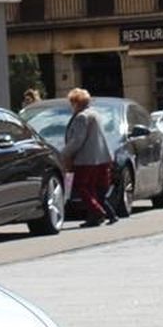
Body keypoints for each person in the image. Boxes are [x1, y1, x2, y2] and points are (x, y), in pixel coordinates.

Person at [61, 88, 117, 227]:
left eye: (72, 103)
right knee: (93, 188)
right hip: (100, 158)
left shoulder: (82, 117)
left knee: (81, 187)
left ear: (76, 102)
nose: (71, 106)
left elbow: (77, 140)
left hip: (86, 159)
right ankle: (101, 216)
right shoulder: (95, 114)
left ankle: (98, 212)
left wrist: (64, 154)